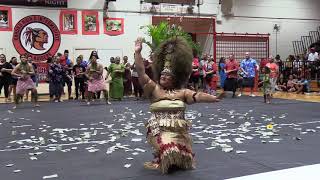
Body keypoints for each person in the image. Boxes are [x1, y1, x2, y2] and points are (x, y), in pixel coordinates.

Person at [134, 37, 223, 174]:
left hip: (179, 131)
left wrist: (212, 97)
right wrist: (138, 53)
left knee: (182, 158)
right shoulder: (153, 89)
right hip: (159, 129)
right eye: (162, 74)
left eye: (167, 75)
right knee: (169, 150)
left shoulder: (183, 92)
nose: (163, 76)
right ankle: (163, 155)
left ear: (175, 78)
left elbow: (197, 96)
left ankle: (171, 158)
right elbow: (141, 71)